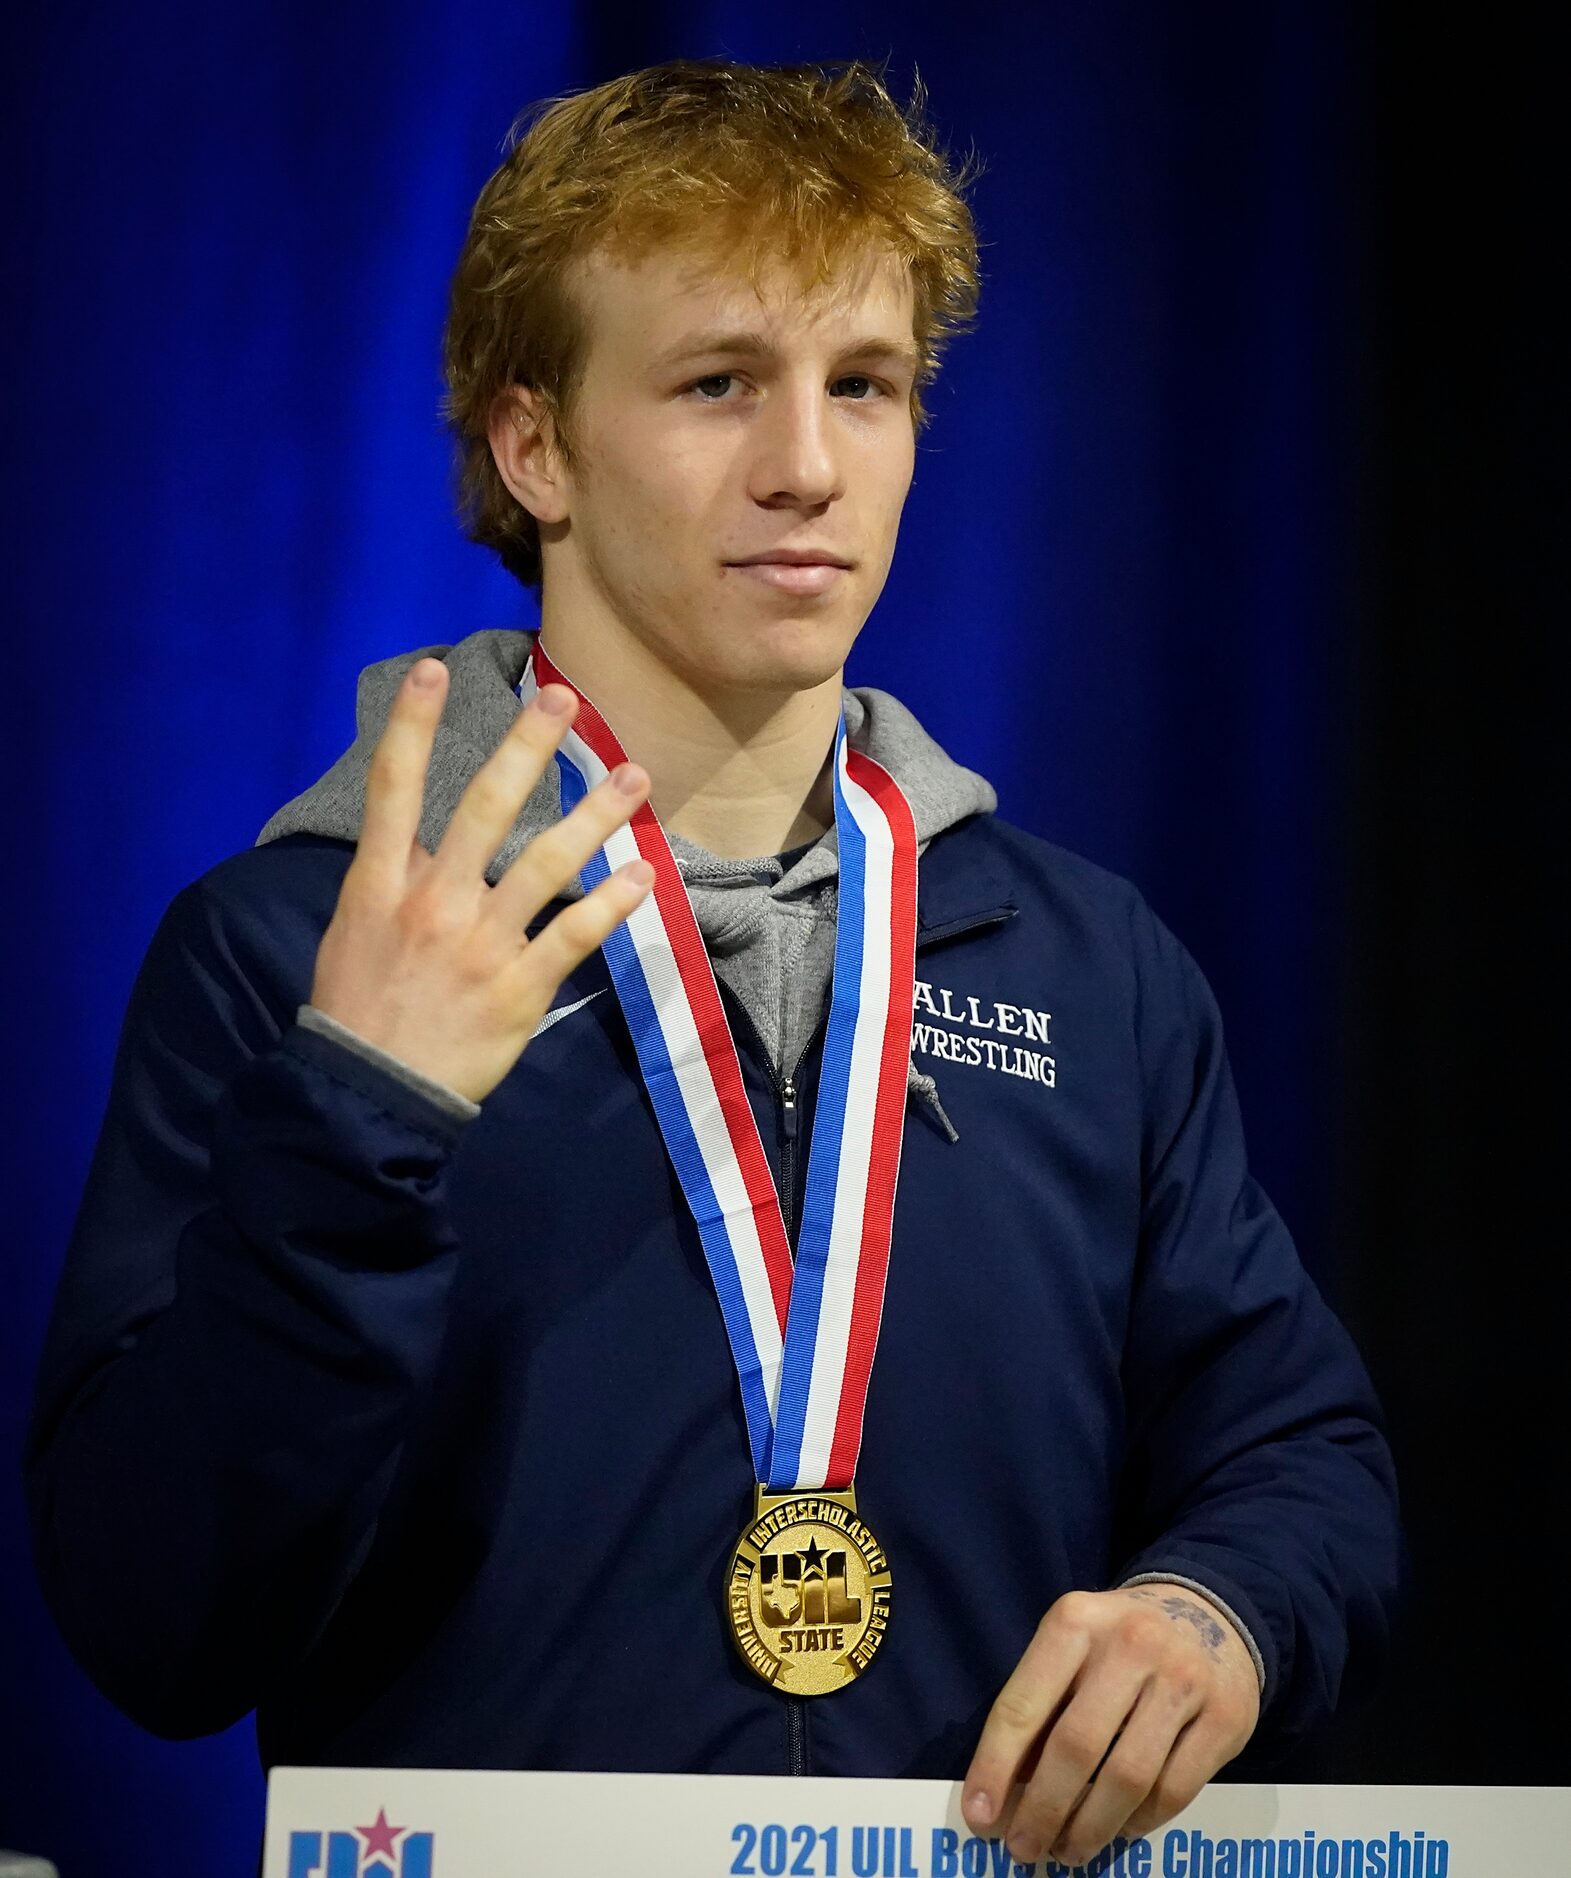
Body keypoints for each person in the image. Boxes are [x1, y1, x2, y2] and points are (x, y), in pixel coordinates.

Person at [23, 57, 1400, 1870]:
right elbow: (154, 1621)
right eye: (717, 384)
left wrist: (1221, 1609)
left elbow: (1306, 1456)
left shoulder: (1086, 966)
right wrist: (359, 1116)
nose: (809, 464)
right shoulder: (289, 948)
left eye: (867, 386)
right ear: (535, 450)